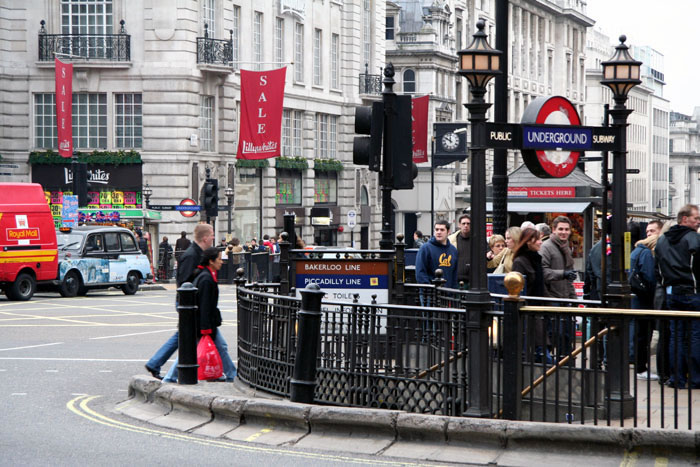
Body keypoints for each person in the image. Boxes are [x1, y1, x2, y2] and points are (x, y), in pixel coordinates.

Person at [144, 223, 215, 380]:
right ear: (205, 237)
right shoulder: (191, 255)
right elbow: (184, 281)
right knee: (187, 340)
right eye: (211, 235)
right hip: (187, 303)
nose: (213, 237)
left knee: (181, 337)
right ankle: (167, 373)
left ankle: (155, 363)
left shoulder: (198, 252)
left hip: (191, 303)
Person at [163, 247, 237, 383]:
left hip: (204, 323)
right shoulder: (206, 279)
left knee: (213, 348)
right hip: (203, 324)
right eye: (219, 259)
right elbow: (204, 305)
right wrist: (205, 329)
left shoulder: (207, 275)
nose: (222, 262)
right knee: (190, 353)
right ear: (211, 261)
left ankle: (232, 374)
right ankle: (169, 378)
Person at [655, 204, 700, 389]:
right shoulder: (693, 239)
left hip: (671, 293)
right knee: (695, 336)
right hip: (693, 292)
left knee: (676, 336)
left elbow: (657, 269)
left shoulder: (662, 240)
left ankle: (676, 378)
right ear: (684, 219)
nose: (698, 222)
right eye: (695, 218)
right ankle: (696, 379)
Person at [512, 228, 551, 363]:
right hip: (529, 313)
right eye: (538, 239)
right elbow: (518, 291)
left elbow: (541, 284)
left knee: (543, 351)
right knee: (542, 354)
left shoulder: (537, 259)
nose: (541, 242)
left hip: (540, 311)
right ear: (528, 242)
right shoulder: (520, 262)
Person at [540, 216, 577, 357]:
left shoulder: (566, 247)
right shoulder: (547, 247)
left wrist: (574, 299)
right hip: (552, 299)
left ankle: (566, 366)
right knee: (556, 336)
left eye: (566, 229)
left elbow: (570, 277)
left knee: (566, 337)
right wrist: (562, 274)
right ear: (553, 230)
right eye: (560, 229)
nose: (564, 232)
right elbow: (543, 272)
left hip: (564, 300)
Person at [629, 234, 659, 380]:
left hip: (637, 299)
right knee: (643, 335)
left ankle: (639, 366)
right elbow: (650, 278)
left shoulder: (636, 251)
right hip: (644, 300)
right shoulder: (646, 253)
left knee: (639, 334)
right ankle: (641, 367)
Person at [415, 220, 458, 289]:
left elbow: (454, 274)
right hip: (430, 294)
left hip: (448, 293)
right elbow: (420, 272)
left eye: (442, 230)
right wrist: (429, 289)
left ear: (448, 232)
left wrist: (453, 290)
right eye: (436, 229)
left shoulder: (453, 250)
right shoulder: (425, 248)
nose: (439, 232)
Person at [447, 214, 471, 288]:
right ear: (459, 225)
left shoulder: (478, 239)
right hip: (456, 280)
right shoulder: (451, 240)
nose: (466, 225)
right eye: (463, 223)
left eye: (468, 223)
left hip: (473, 281)